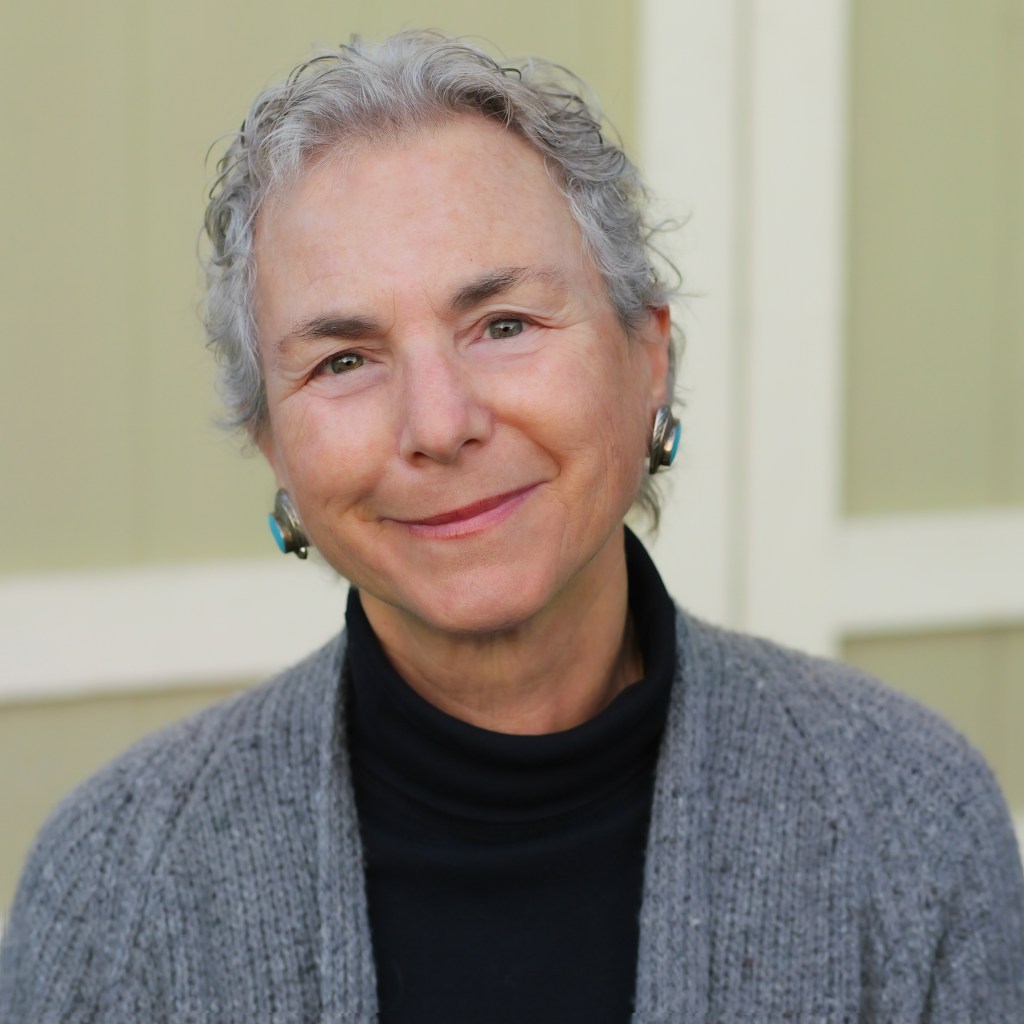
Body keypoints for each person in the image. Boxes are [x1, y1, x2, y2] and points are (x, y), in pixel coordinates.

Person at [1, 30, 1022, 1023]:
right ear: (273, 445)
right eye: (344, 359)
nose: (439, 424)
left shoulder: (908, 821)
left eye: (503, 324)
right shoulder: (114, 885)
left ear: (647, 357)